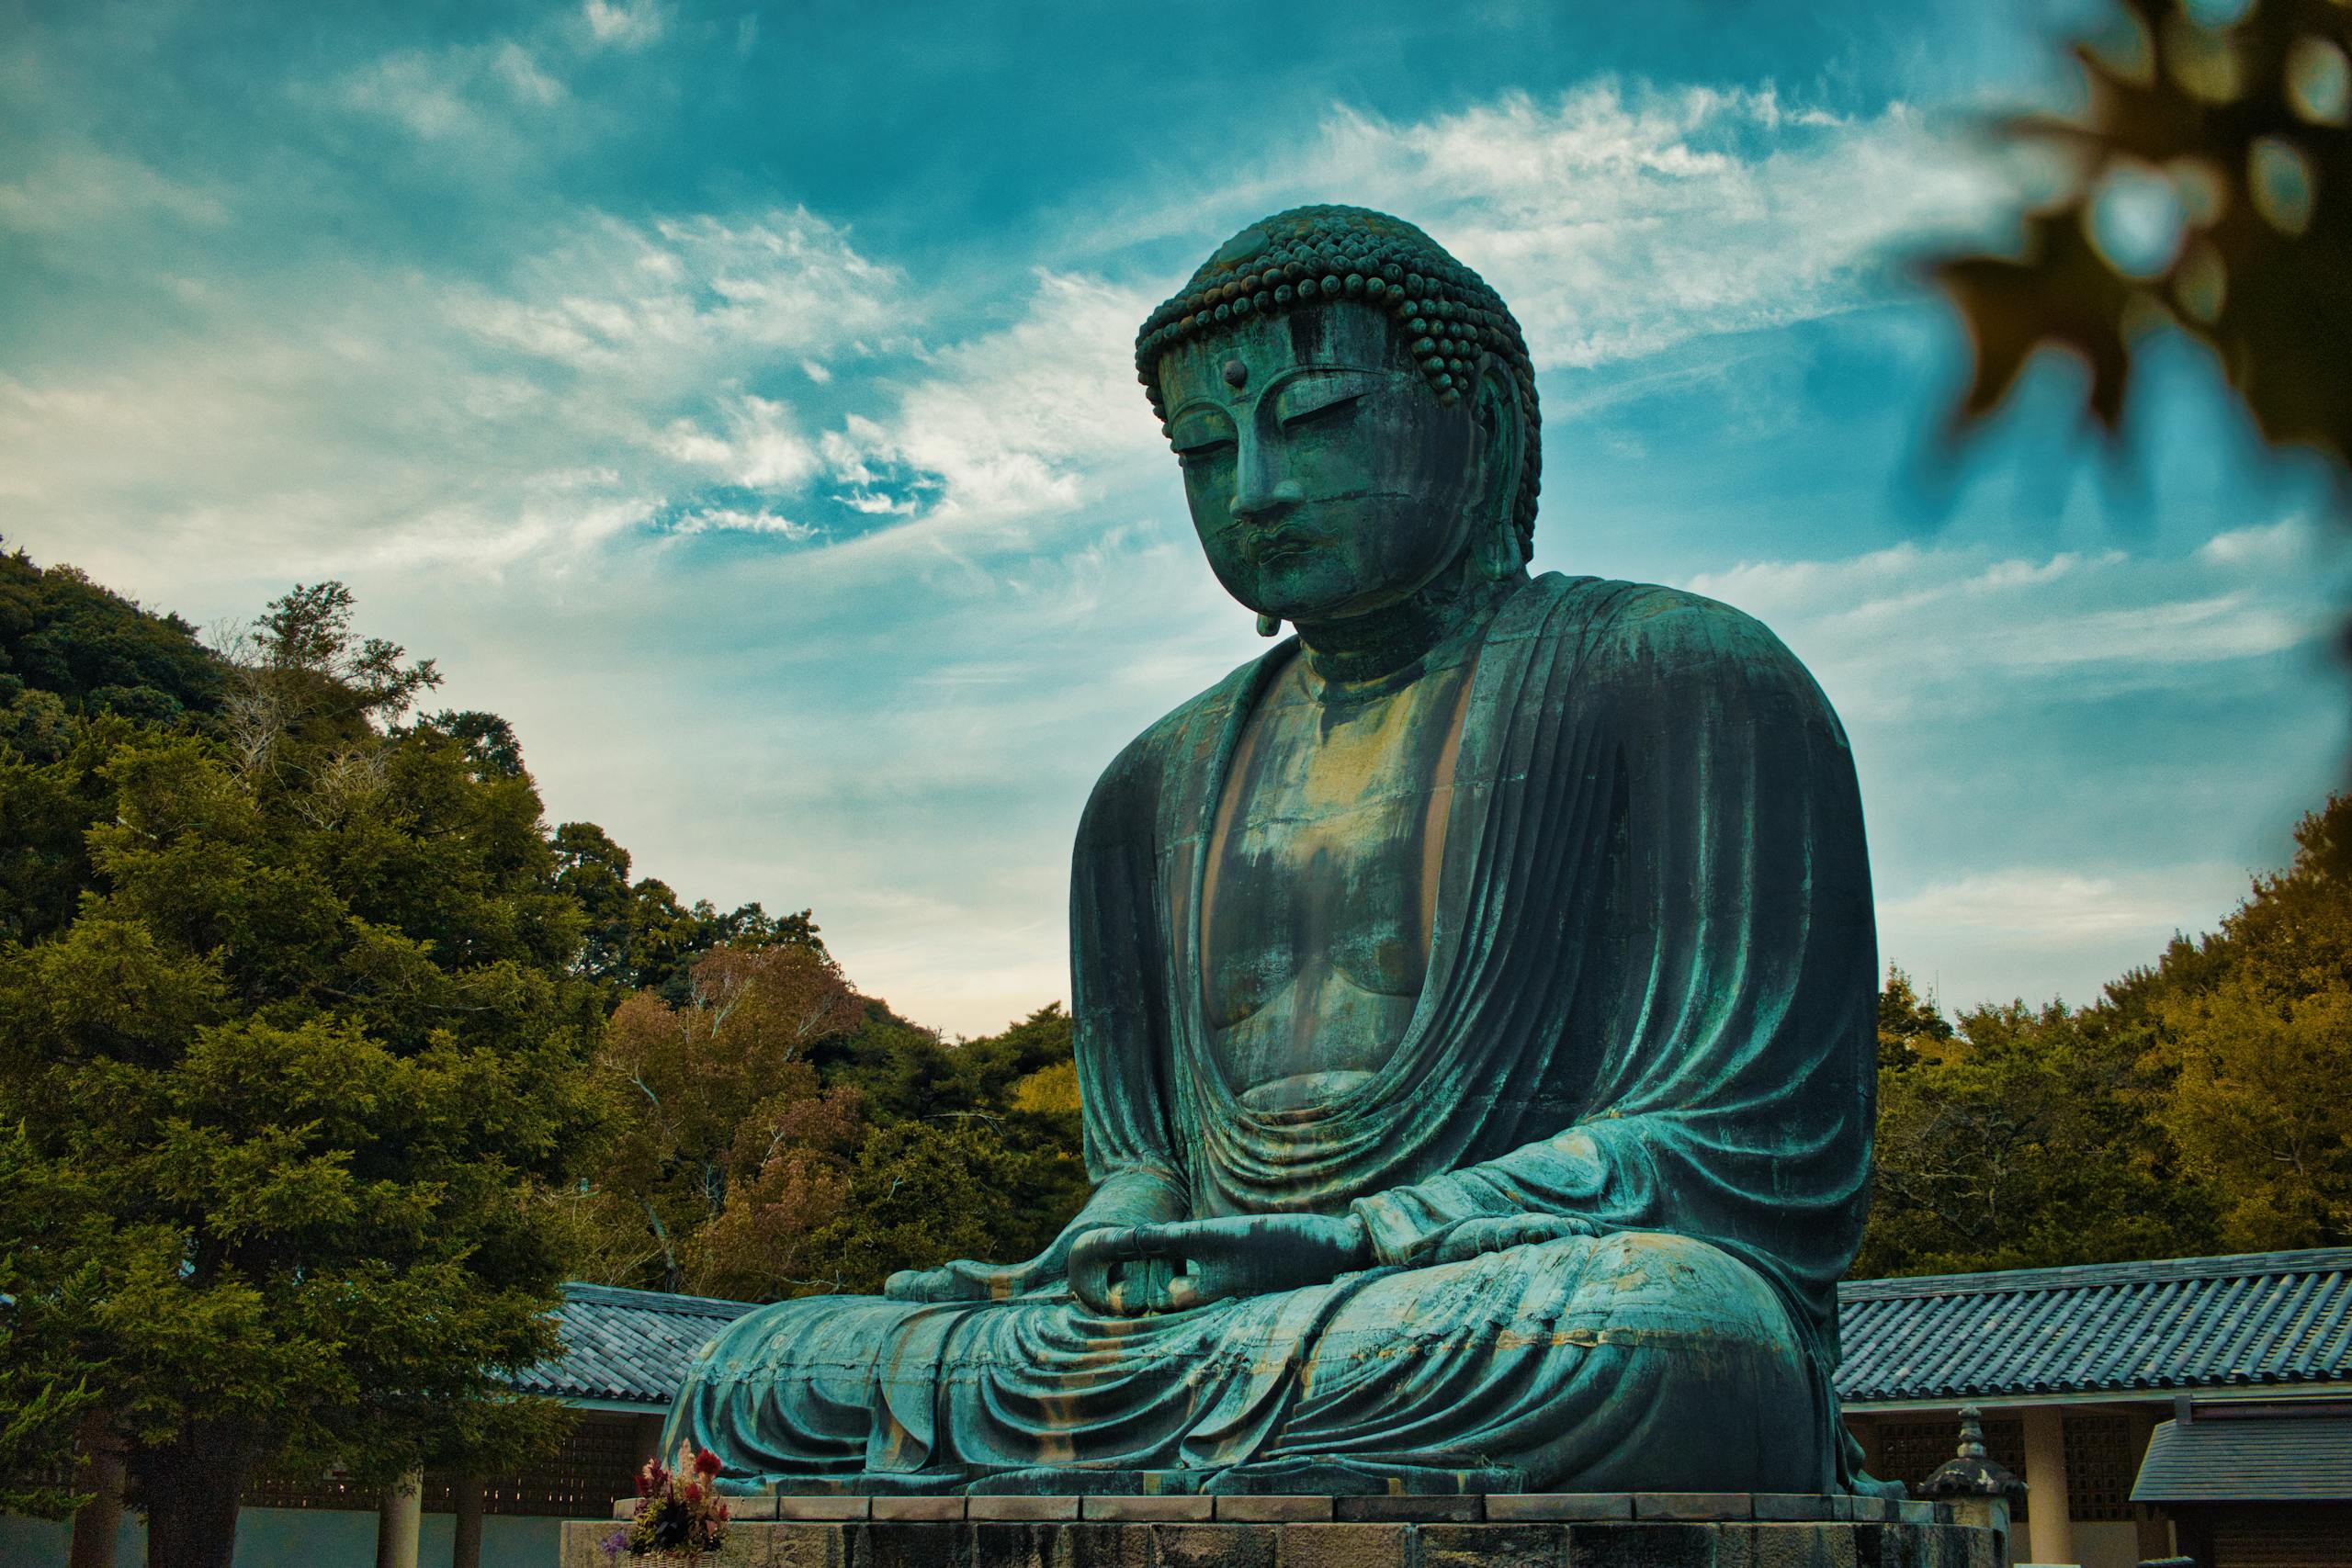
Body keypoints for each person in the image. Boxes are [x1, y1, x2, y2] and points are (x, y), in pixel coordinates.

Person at [666, 205, 1880, 1496]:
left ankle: (1195, 1444)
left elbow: (1747, 1148)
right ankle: (1212, 1446)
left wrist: (1356, 1238)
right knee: (754, 1376)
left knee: (1668, 1335)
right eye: (1203, 448)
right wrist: (1089, 1257)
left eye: (1313, 420)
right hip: (1229, 1329)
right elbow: (1148, 1165)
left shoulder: (1685, 678)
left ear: (1490, 426)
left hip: (1491, 1299)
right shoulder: (1148, 788)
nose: (1254, 489)